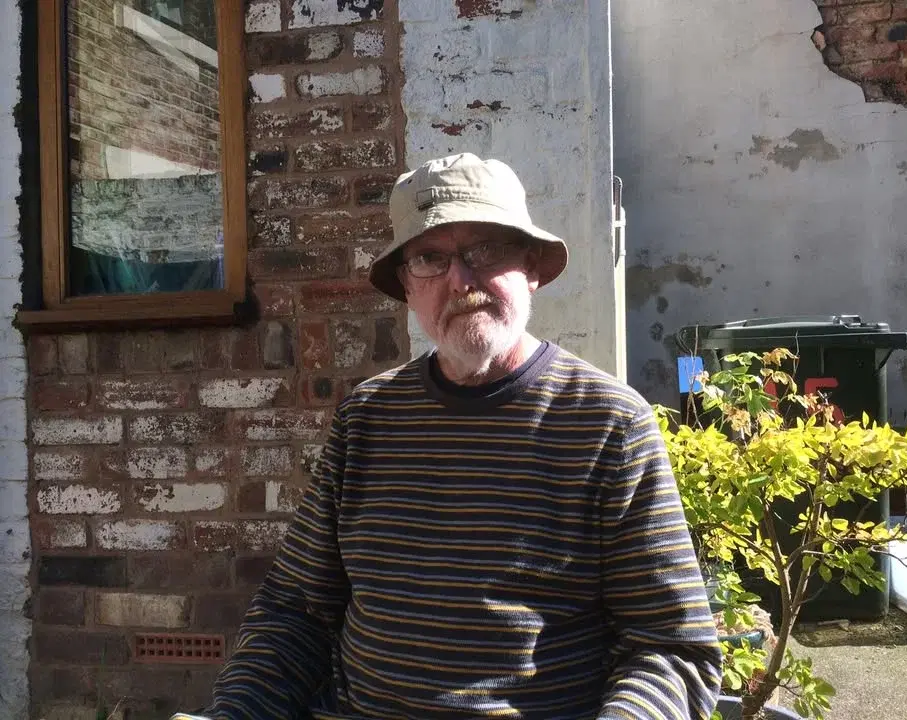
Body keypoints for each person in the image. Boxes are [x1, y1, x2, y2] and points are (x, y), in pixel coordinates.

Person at [193, 153, 722, 720]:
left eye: (487, 250)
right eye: (430, 259)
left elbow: (670, 647)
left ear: (533, 267)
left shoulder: (608, 424)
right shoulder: (367, 419)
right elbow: (296, 611)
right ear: (406, 284)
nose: (461, 281)